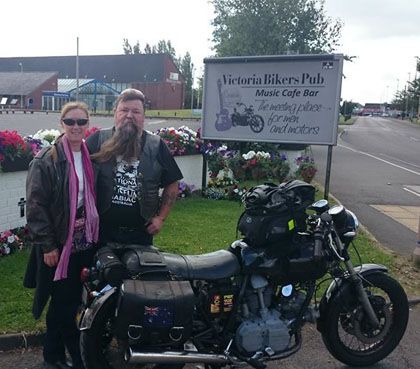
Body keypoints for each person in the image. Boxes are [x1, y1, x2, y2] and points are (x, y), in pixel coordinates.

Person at [24, 102, 99, 369]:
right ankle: (67, 357)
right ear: (62, 124)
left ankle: (55, 355)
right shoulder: (46, 160)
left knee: (69, 301)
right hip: (60, 245)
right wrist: (47, 246)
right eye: (70, 122)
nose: (76, 127)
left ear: (88, 124)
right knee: (63, 304)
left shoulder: (91, 156)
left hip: (85, 242)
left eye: (81, 122)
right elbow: (35, 207)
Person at [86, 88, 182, 246]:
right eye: (124, 110)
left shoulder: (156, 145)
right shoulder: (97, 140)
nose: (129, 116)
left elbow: (172, 182)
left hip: (140, 235)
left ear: (143, 116)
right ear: (115, 113)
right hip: (101, 233)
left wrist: (160, 218)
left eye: (136, 111)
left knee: (138, 271)